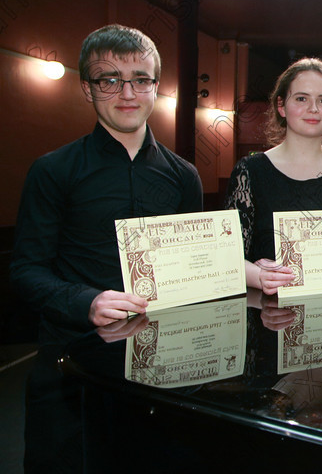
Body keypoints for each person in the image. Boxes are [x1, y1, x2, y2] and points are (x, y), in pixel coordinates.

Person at [10, 24, 203, 473]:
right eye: (109, 79)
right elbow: (25, 271)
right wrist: (88, 301)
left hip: (162, 373)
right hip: (69, 370)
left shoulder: (183, 177)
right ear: (86, 89)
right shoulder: (52, 171)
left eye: (140, 78)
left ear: (156, 86)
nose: (127, 92)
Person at [225, 58, 322, 295]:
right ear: (281, 106)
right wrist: (259, 276)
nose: (313, 108)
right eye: (302, 98)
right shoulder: (249, 171)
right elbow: (229, 256)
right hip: (267, 316)